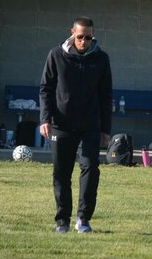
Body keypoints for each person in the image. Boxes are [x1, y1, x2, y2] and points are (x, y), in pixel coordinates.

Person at [39, 16, 112, 234]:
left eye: (88, 37)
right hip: (61, 125)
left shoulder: (101, 59)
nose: (84, 41)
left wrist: (105, 128)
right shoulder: (56, 55)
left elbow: (106, 95)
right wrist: (45, 119)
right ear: (72, 33)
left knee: (90, 169)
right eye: (80, 37)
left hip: (90, 125)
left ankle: (83, 219)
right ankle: (63, 221)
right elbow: (46, 89)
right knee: (61, 173)